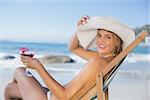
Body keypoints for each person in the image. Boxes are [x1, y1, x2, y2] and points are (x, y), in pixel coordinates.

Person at [4, 16, 135, 100]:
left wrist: (38, 66)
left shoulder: (98, 61)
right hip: (49, 95)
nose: (100, 40)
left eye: (108, 37)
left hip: (45, 98)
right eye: (99, 35)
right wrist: (80, 30)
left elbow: (65, 96)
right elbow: (73, 48)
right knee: (10, 89)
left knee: (19, 70)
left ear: (117, 42)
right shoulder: (107, 60)